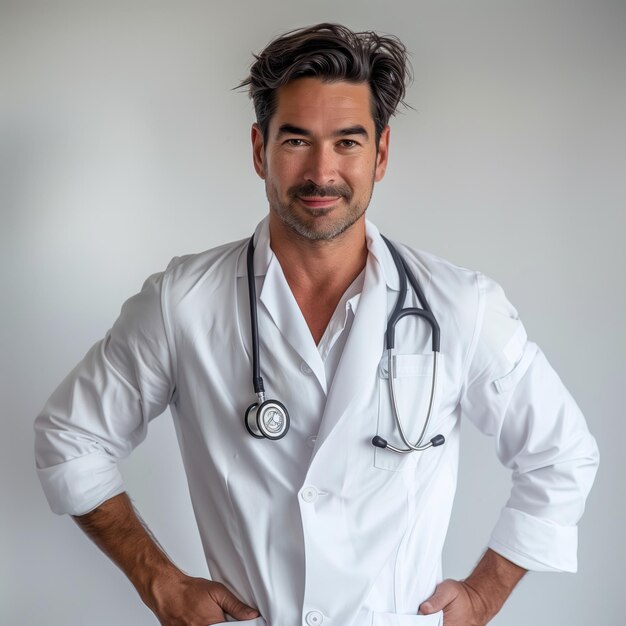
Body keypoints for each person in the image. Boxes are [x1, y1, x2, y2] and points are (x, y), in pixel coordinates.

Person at [34, 23, 599, 626]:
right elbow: (71, 439)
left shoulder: (460, 305)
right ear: (260, 150)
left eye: (348, 142)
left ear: (381, 154)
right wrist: (160, 583)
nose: (322, 171)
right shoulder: (184, 302)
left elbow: (559, 456)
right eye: (297, 140)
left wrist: (486, 593)